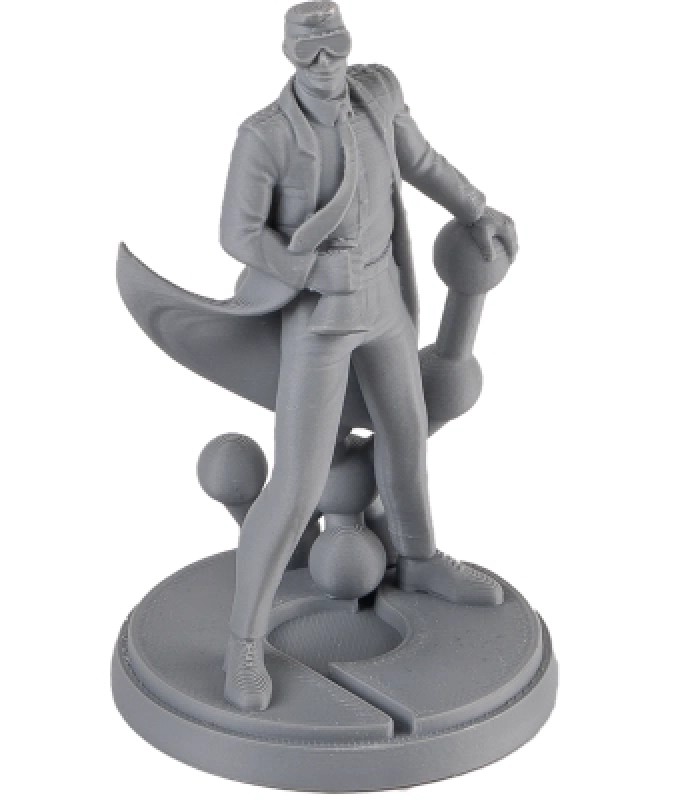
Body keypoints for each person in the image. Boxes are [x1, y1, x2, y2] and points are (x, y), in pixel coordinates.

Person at [220, 1, 518, 711]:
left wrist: (476, 207)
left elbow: (420, 160)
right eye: (309, 50)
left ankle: (418, 560)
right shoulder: (265, 135)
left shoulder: (377, 91)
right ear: (289, 54)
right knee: (296, 483)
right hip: (320, 315)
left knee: (406, 436)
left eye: (334, 44)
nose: (325, 61)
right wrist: (308, 270)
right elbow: (238, 233)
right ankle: (242, 644)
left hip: (383, 295)